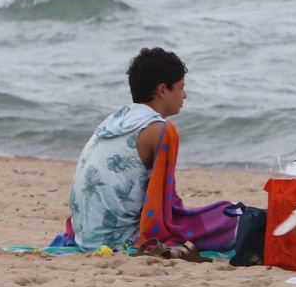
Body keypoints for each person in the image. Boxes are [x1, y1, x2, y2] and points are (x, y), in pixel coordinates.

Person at [66, 47, 236, 254]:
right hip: (122, 243)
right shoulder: (161, 130)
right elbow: (164, 208)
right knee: (231, 214)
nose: (185, 95)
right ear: (163, 90)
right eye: (181, 88)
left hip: (85, 237)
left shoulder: (113, 121)